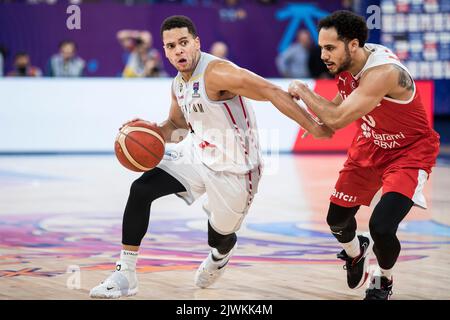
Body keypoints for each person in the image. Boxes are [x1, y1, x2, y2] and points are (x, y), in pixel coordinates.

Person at [90, 15, 332, 299]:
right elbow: (175, 126)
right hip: (197, 153)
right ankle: (125, 274)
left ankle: (220, 255)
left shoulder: (218, 73)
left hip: (236, 170)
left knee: (219, 237)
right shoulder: (178, 85)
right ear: (165, 51)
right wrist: (148, 130)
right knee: (141, 189)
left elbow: (271, 91)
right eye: (171, 46)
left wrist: (313, 126)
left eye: (183, 43)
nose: (178, 50)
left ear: (196, 43)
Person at [288, 10, 440, 300]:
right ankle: (355, 253)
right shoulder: (349, 61)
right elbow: (342, 100)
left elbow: (338, 119)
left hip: (408, 151)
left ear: (353, 44)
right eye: (321, 47)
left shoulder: (382, 73)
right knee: (336, 220)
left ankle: (383, 279)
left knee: (382, 227)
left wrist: (303, 92)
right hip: (370, 144)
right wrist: (319, 118)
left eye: (330, 48)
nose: (323, 55)